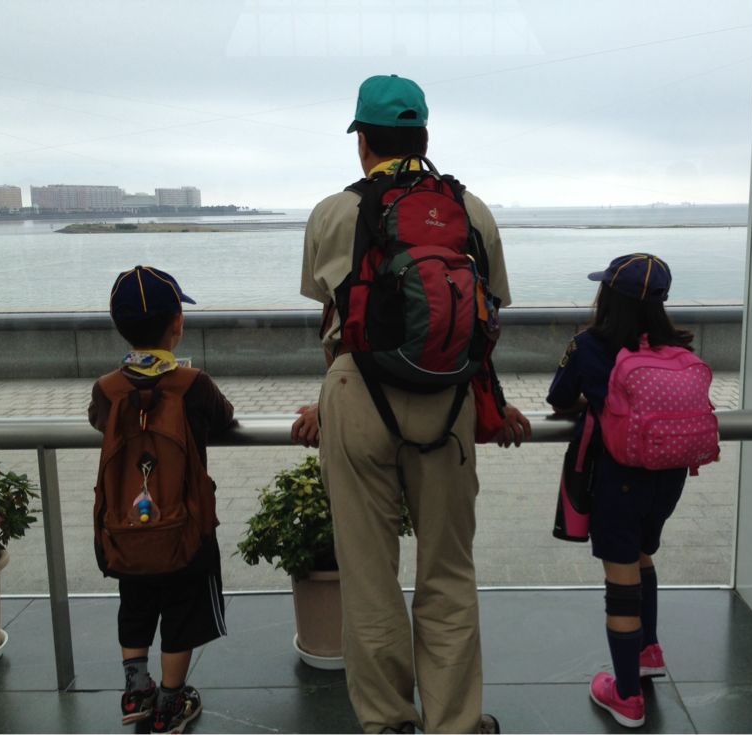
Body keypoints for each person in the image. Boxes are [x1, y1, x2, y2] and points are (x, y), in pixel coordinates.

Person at [291, 74, 531, 734]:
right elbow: (487, 318)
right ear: (424, 138)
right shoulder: (470, 211)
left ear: (363, 142)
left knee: (369, 579)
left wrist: (327, 404)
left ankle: (388, 722)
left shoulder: (333, 212)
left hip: (357, 394)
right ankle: (454, 722)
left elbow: (334, 320)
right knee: (448, 573)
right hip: (448, 401)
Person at [546, 253, 691, 729]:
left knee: (621, 580)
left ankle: (627, 697)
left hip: (619, 478)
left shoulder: (590, 344)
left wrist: (595, 400)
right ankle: (648, 651)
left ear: (607, 295)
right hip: (668, 476)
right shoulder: (677, 346)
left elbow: (559, 398)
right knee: (642, 554)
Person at [88, 265, 235, 734]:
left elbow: (97, 420)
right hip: (185, 530)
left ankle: (136, 691)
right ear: (178, 323)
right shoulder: (193, 384)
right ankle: (171, 702)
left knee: (134, 605)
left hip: (126, 529)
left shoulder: (107, 389)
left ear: (120, 327)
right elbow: (225, 417)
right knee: (182, 613)